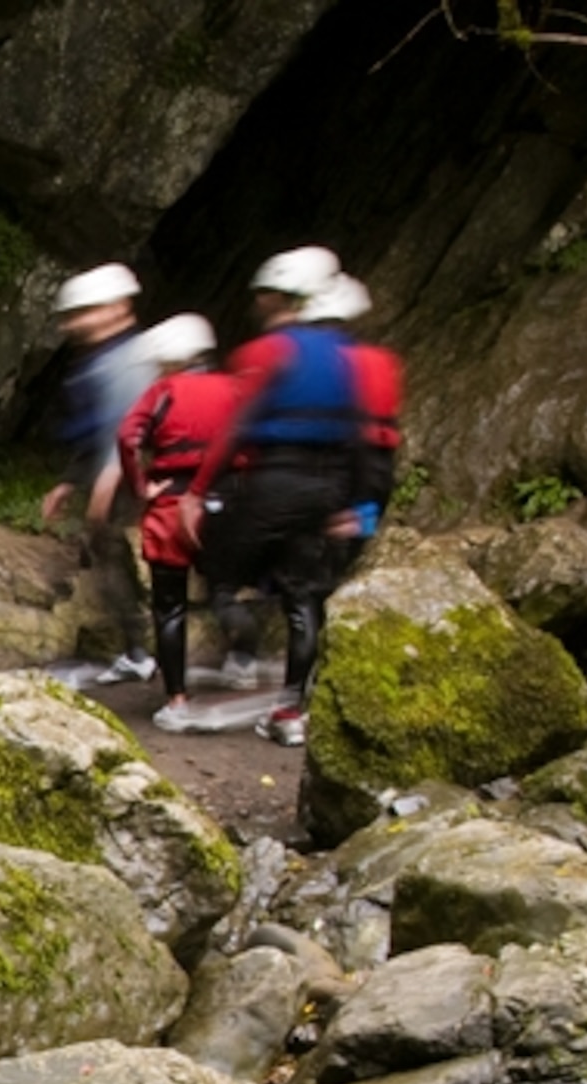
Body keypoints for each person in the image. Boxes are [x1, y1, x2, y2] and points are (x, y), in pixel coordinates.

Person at [182, 246, 367, 747]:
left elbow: (235, 428)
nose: (256, 302)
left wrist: (197, 493)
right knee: (303, 596)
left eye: (263, 295)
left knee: (218, 568)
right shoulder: (347, 359)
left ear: (280, 297)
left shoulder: (265, 353)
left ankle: (241, 652)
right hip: (328, 484)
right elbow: (357, 434)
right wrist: (352, 502)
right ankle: (291, 708)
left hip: (275, 479)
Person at [118, 314, 247, 731]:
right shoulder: (235, 389)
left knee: (169, 608)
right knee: (225, 589)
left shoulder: (164, 391)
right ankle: (244, 658)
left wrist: (141, 486)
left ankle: (177, 700)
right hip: (227, 502)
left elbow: (127, 438)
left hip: (172, 505)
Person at [42, 263, 163, 684]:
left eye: (86, 312)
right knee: (103, 555)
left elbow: (127, 427)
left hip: (128, 472)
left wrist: (108, 479)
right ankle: (138, 647)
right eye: (74, 314)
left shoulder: (128, 359)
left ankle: (142, 651)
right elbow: (93, 430)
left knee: (111, 554)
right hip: (109, 468)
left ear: (117, 308)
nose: (76, 322)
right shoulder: (96, 358)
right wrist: (69, 482)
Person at [306, 271, 404, 554]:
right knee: (357, 539)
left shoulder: (321, 362)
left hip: (336, 462)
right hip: (378, 466)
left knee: (323, 542)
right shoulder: (382, 360)